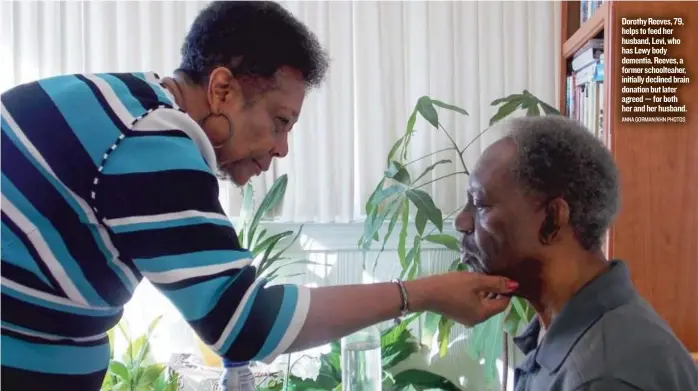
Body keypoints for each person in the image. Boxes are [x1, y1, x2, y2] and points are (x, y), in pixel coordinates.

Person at [0, 1, 518, 389]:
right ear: (222, 90)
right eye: (279, 122)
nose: (282, 149)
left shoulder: (127, 105)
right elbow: (242, 326)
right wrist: (422, 294)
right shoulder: (152, 136)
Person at [455, 115, 698, 391]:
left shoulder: (601, 377)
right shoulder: (566, 331)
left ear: (552, 220)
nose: (461, 222)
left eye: (479, 203)